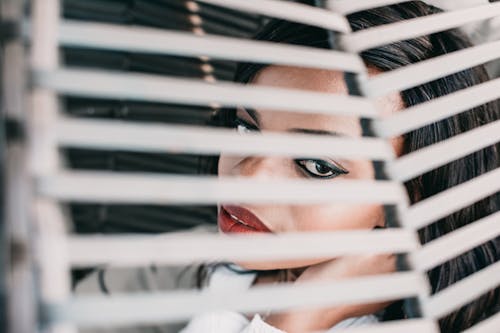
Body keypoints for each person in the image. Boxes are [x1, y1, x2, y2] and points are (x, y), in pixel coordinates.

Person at [76, 2, 499, 332]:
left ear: (416, 197)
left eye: (316, 166)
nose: (248, 177)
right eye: (246, 128)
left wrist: (299, 317)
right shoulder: (194, 265)